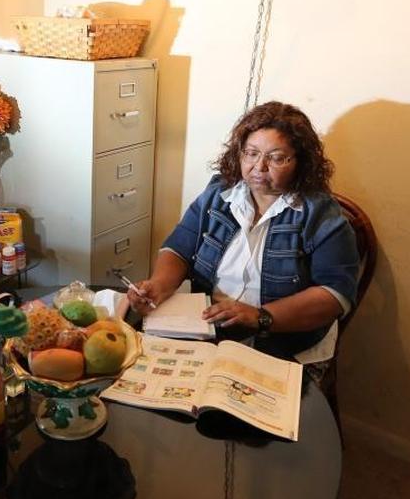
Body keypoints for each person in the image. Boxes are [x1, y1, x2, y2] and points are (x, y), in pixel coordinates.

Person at [127, 102, 360, 361]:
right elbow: (179, 248)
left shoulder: (320, 214)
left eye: (276, 158)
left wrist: (260, 316)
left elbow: (334, 295)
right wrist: (159, 285)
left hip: (282, 339)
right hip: (208, 326)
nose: (259, 167)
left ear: (300, 162)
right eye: (251, 153)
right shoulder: (219, 194)